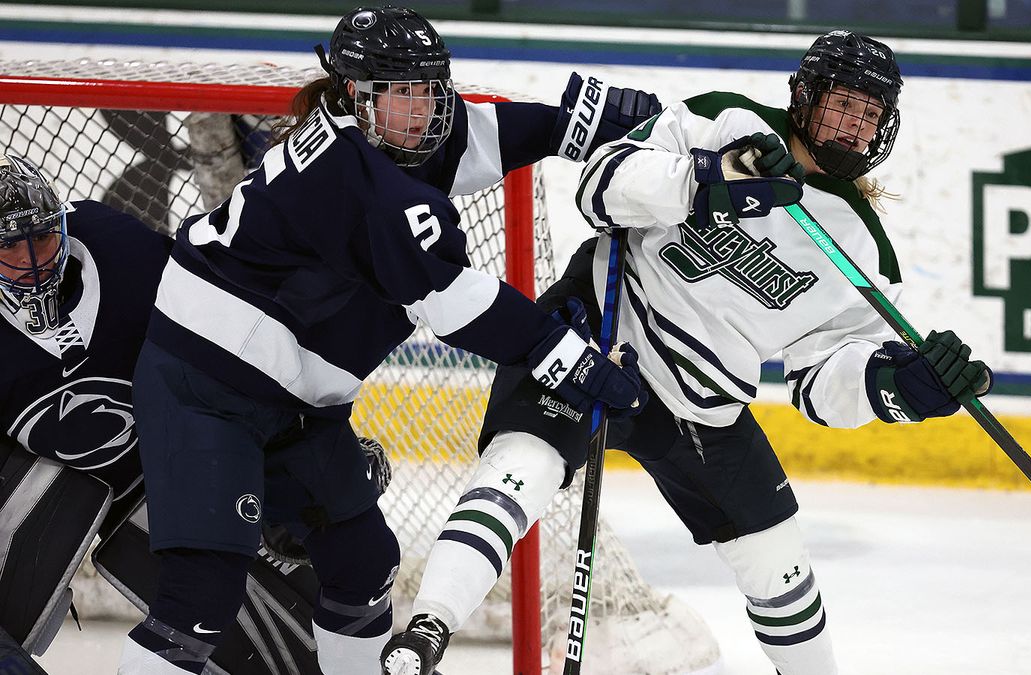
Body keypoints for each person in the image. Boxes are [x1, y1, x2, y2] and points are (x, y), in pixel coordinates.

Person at [387, 30, 994, 675]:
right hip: (599, 334)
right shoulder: (725, 120)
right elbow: (600, 187)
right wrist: (707, 179)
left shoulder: (864, 251)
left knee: (778, 560)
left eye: (871, 116)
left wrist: (895, 385)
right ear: (806, 97)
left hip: (698, 400)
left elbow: (820, 386)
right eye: (844, 105)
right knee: (522, 467)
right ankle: (425, 634)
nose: (855, 128)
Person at [117, 5, 659, 675]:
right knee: (199, 600)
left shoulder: (399, 134)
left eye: (428, 87)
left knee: (363, 561)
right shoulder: (353, 179)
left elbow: (490, 132)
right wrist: (562, 353)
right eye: (400, 92)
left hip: (293, 404)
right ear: (354, 95)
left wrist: (580, 124)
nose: (421, 107)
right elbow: (455, 304)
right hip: (205, 385)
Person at [0, 152, 336, 675]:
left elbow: (228, 347)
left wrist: (312, 443)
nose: (31, 259)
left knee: (307, 636)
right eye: (9, 248)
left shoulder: (120, 249)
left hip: (177, 467)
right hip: (47, 486)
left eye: (41, 237)